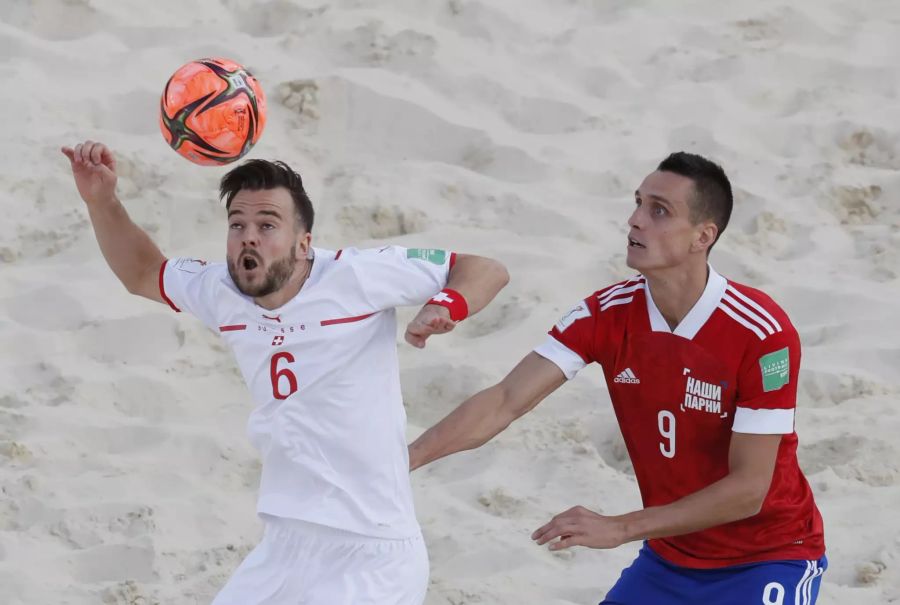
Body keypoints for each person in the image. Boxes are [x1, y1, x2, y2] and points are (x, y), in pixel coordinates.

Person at [61, 140, 509, 605]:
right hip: (284, 547)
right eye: (237, 225)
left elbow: (483, 269)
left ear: (303, 242)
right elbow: (141, 273)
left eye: (267, 224)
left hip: (372, 554)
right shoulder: (221, 290)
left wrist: (446, 304)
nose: (248, 236)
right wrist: (102, 200)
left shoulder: (357, 276)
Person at [408, 152, 827, 605]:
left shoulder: (762, 331)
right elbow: (506, 399)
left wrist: (621, 526)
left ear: (703, 236)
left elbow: (749, 491)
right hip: (670, 559)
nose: (634, 221)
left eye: (659, 211)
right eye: (638, 203)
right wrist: (402, 461)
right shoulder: (606, 313)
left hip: (769, 555)